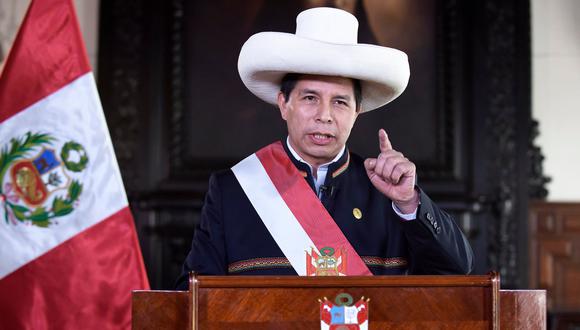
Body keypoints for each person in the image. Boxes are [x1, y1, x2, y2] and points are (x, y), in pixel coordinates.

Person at [175, 7, 473, 289]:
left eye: (340, 102)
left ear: (358, 111)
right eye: (309, 98)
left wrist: (409, 203)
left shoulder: (390, 193)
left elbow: (455, 271)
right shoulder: (233, 190)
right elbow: (193, 298)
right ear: (283, 104)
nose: (325, 115)